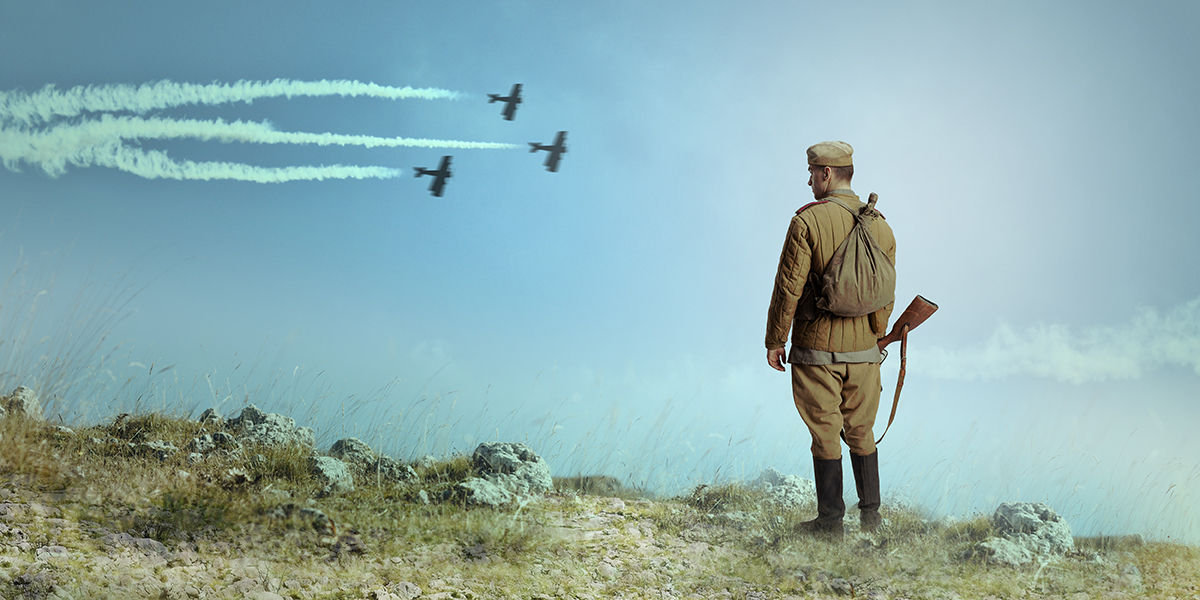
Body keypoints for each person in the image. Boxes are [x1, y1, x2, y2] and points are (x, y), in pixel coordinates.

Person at [764, 140, 896, 539]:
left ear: (826, 174)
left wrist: (775, 339)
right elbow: (885, 292)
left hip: (815, 350)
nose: (808, 181)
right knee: (862, 431)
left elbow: (789, 287)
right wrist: (875, 336)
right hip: (865, 352)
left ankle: (829, 523)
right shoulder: (880, 223)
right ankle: (871, 519)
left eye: (811, 173)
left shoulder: (807, 222)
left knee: (825, 433)